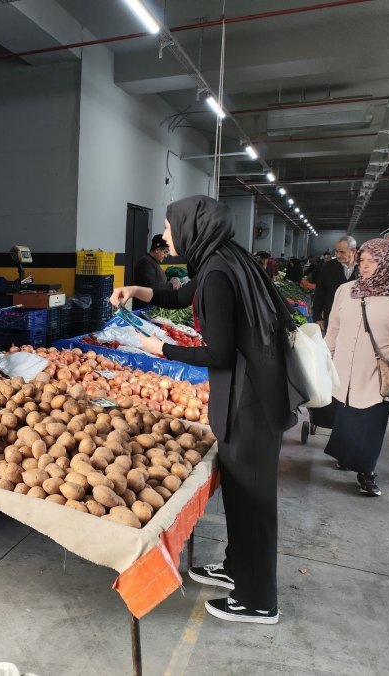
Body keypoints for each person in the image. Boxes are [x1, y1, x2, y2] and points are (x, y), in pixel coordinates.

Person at [110, 195, 297, 625]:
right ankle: (237, 569)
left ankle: (258, 601)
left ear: (192, 228)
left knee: (253, 503)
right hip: (252, 397)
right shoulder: (224, 258)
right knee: (240, 493)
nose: (166, 235)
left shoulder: (217, 272)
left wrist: (161, 348)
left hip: (249, 405)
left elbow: (218, 353)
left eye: (171, 227)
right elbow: (180, 295)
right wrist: (138, 290)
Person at [323, 238, 389, 496]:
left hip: (376, 369)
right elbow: (334, 328)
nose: (364, 267)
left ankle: (367, 472)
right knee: (347, 415)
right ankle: (347, 457)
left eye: (372, 262)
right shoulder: (347, 290)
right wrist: (324, 358)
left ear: (387, 262)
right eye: (362, 261)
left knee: (371, 421)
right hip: (344, 365)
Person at [312, 235, 357, 331]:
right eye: (336, 251)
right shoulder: (328, 267)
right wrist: (318, 317)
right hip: (332, 317)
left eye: (342, 252)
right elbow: (320, 292)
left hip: (356, 319)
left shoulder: (363, 268)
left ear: (353, 251)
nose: (338, 255)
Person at [131, 234, 180, 310]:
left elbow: (158, 281)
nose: (166, 256)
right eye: (165, 252)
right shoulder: (145, 262)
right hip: (144, 309)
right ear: (157, 250)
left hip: (152, 307)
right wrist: (171, 285)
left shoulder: (152, 262)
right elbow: (152, 286)